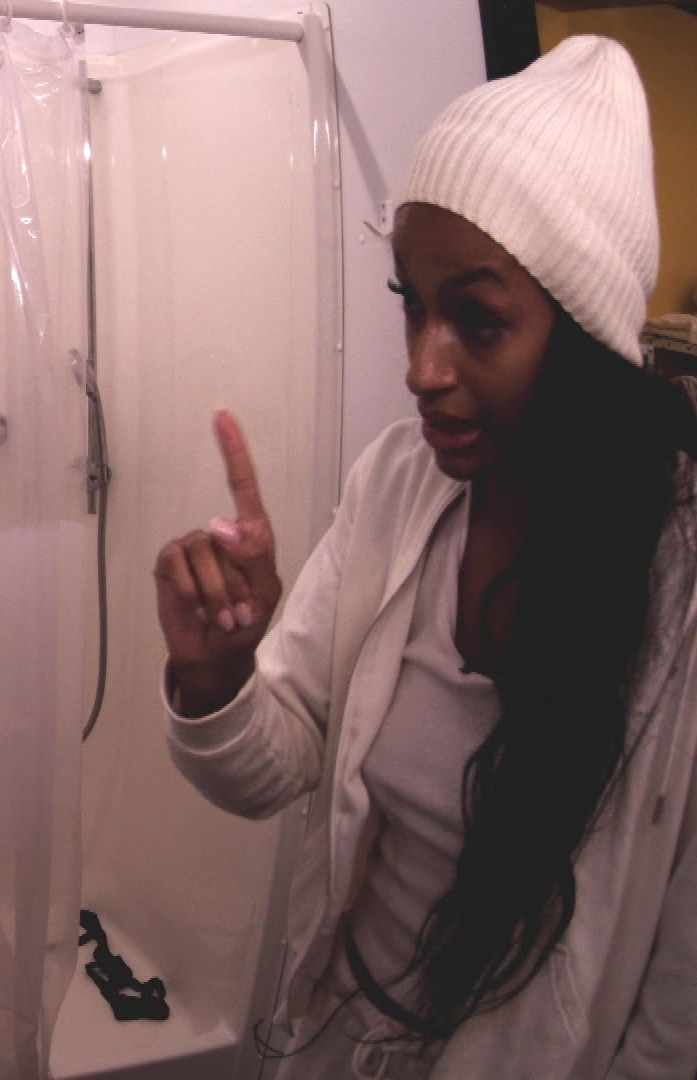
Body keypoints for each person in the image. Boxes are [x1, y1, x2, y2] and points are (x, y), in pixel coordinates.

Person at [154, 38, 697, 1079]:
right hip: (334, 1035)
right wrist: (216, 673)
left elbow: (676, 1019)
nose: (421, 368)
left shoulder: (679, 589)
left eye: (477, 321)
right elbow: (276, 765)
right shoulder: (401, 485)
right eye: (412, 301)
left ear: (582, 334)